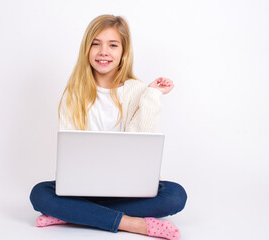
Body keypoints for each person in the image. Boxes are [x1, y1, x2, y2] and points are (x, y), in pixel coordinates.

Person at [30, 14, 187, 239]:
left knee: (175, 195)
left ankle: (73, 215)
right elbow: (71, 153)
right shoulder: (73, 94)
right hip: (83, 189)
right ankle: (132, 224)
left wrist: (152, 95)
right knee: (39, 193)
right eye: (96, 44)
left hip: (128, 191)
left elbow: (141, 143)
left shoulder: (137, 90)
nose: (104, 51)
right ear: (87, 49)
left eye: (113, 45)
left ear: (123, 52)